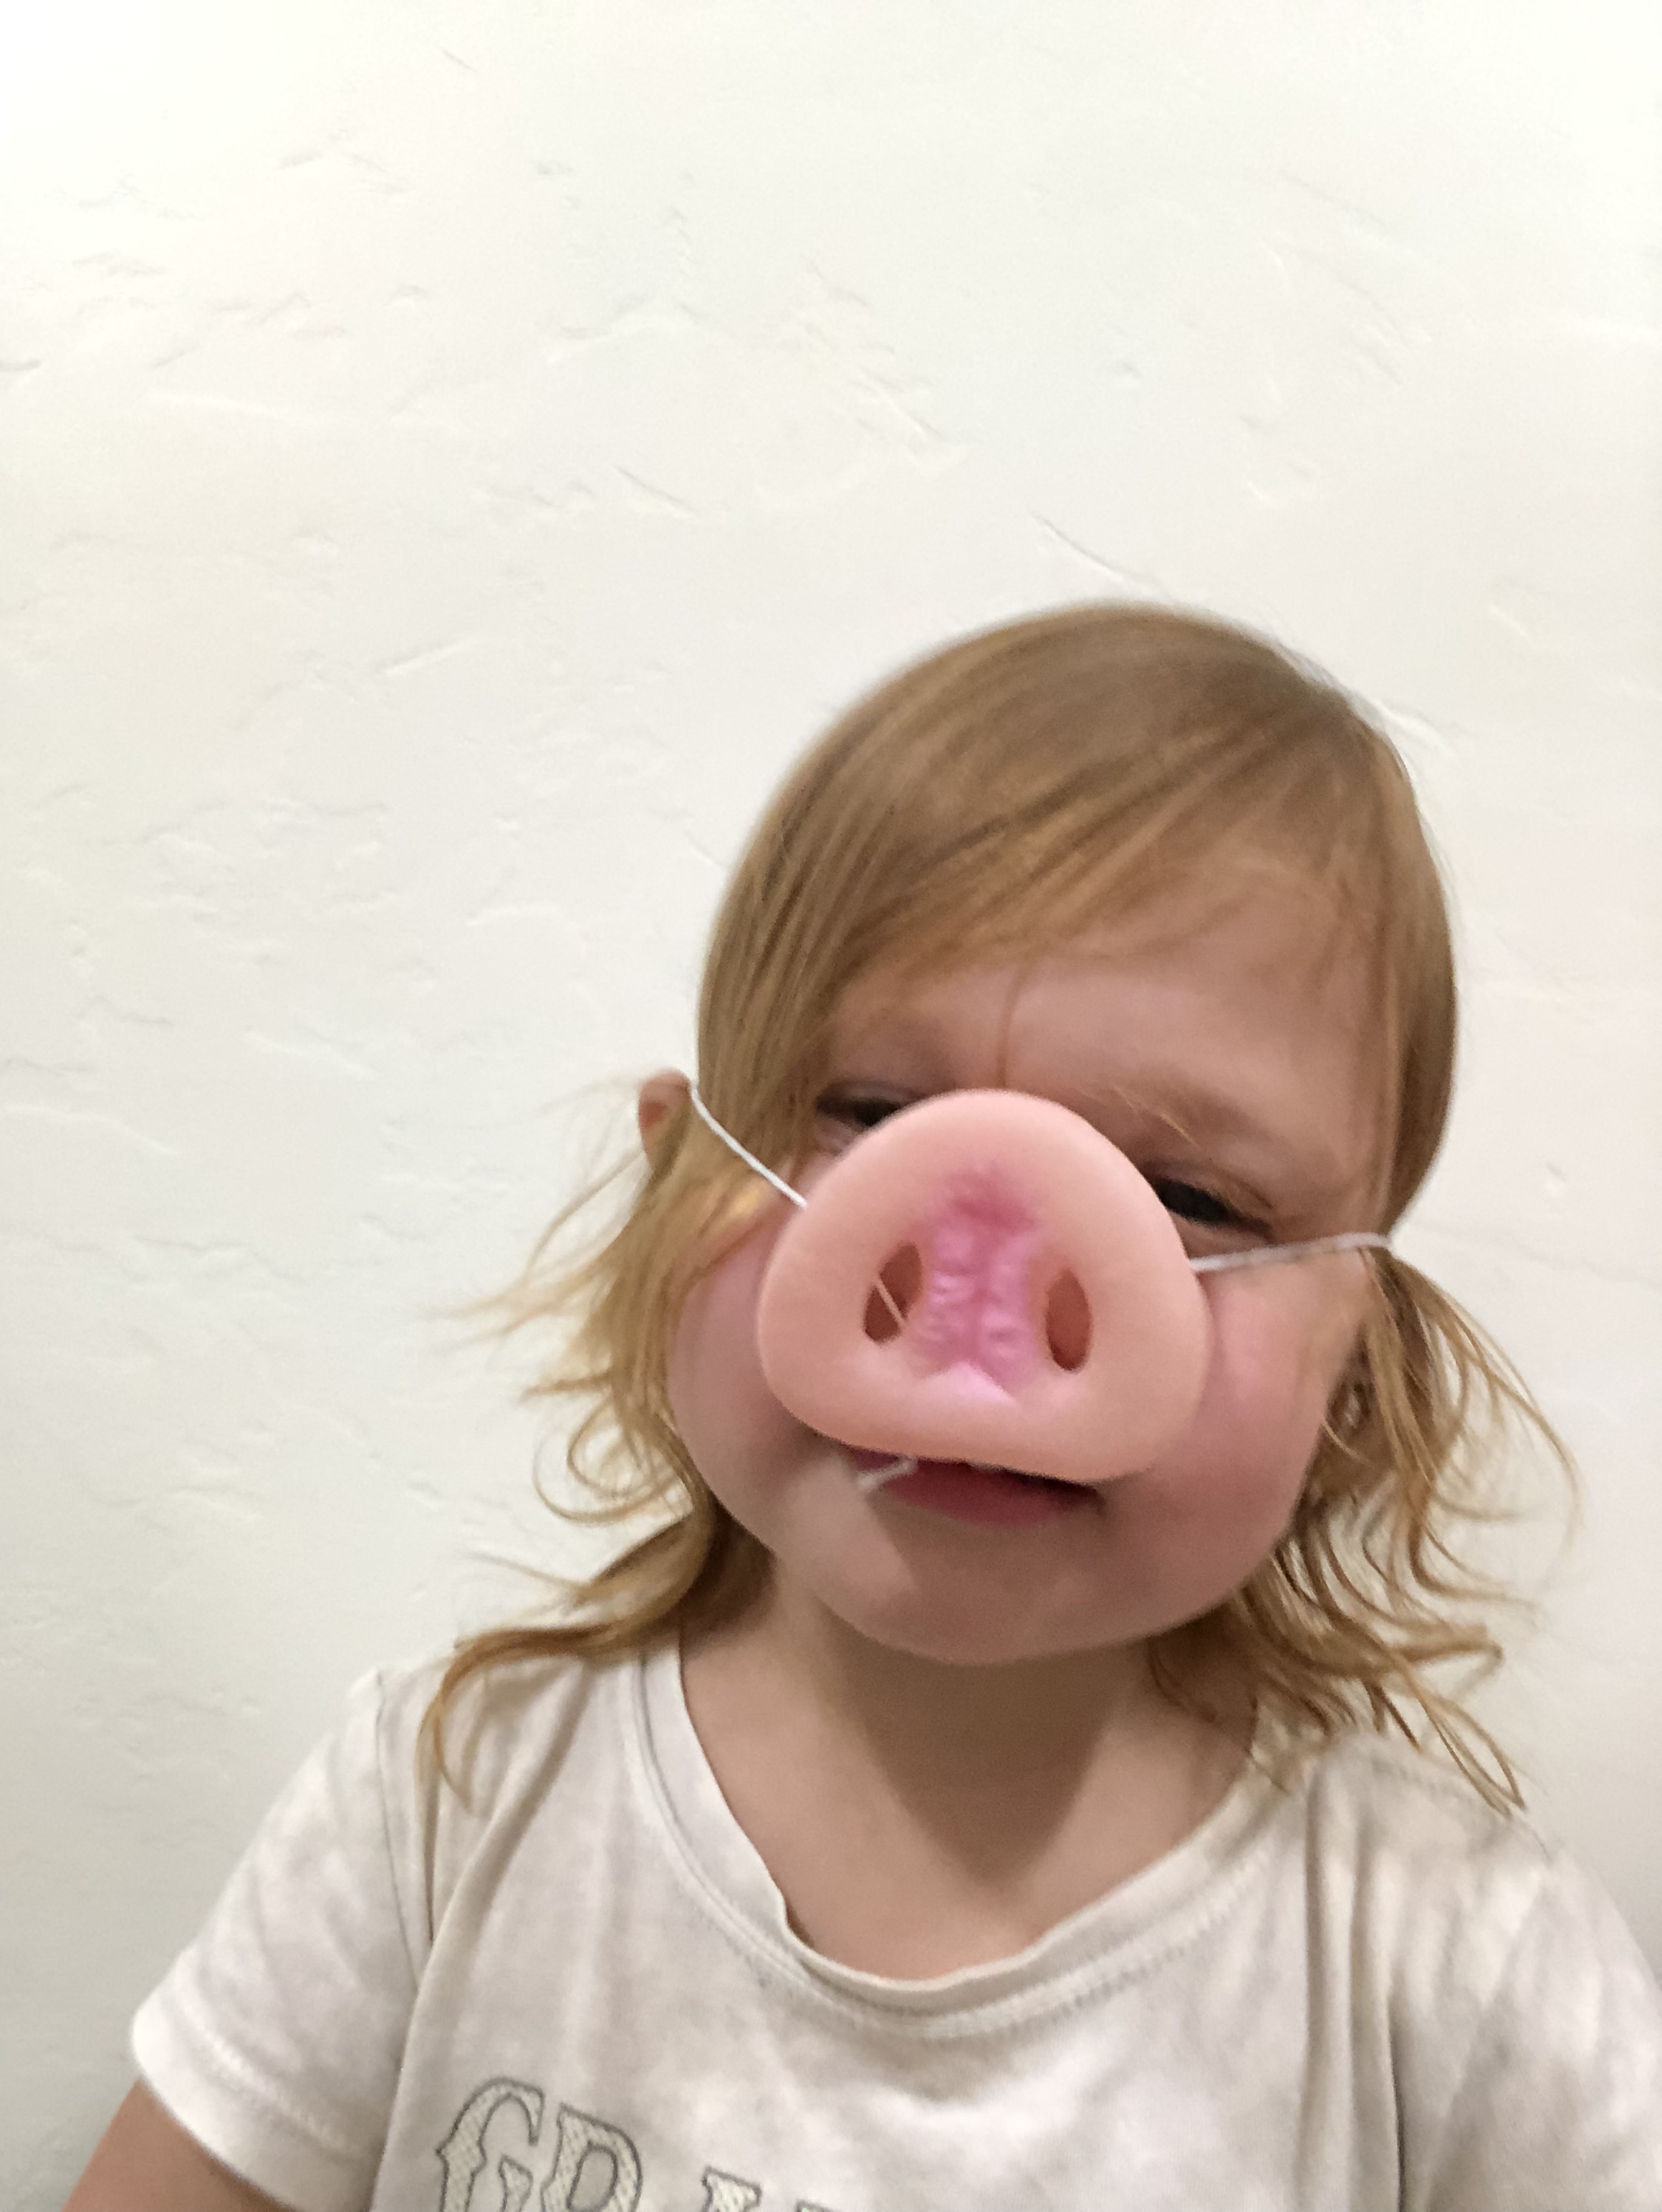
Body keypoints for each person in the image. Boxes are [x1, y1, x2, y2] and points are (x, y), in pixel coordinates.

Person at [67, 607, 1662, 2212]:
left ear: (1354, 1359)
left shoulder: (1465, 1987)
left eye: (1189, 1195)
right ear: (675, 1183)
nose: (993, 1302)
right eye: (873, 1114)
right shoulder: (442, 1811)